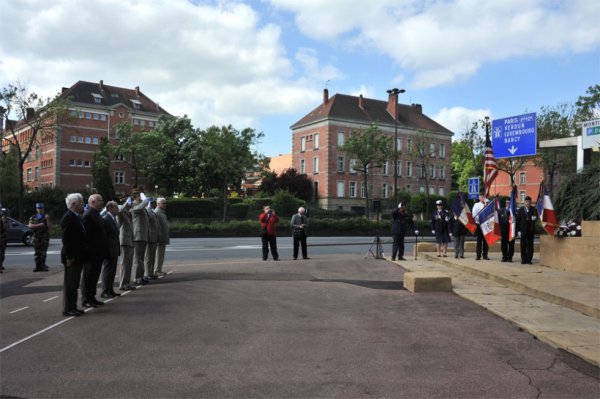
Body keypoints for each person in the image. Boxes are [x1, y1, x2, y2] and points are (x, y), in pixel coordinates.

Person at [60, 193, 87, 317]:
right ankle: (68, 308)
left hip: (78, 255)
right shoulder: (68, 217)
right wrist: (69, 257)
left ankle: (73, 306)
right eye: (81, 202)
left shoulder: (75, 216)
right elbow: (67, 239)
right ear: (74, 204)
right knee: (71, 283)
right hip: (72, 257)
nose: (82, 204)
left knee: (74, 283)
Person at [80, 194, 108, 308]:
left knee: (94, 276)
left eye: (102, 200)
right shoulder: (88, 215)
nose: (102, 202)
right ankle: (86, 299)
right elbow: (85, 236)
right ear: (92, 202)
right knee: (88, 276)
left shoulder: (96, 214)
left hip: (98, 252)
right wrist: (87, 251)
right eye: (99, 200)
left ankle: (92, 297)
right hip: (91, 253)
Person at [100, 201, 121, 298]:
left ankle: (110, 289)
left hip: (114, 249)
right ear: (110, 208)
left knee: (112, 271)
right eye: (116, 207)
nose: (117, 209)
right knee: (107, 271)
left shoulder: (113, 218)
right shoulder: (106, 219)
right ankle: (105, 291)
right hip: (109, 250)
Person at [131, 189, 151, 285]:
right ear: (136, 197)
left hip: (143, 235)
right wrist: (145, 200)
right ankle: (136, 278)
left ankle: (141, 276)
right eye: (140, 196)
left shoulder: (141, 206)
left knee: (141, 258)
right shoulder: (133, 205)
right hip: (138, 236)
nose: (141, 198)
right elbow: (139, 208)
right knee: (138, 258)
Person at [117, 196, 136, 291]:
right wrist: (126, 204)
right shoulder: (122, 212)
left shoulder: (128, 213)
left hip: (129, 240)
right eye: (129, 202)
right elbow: (120, 211)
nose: (131, 203)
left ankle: (127, 283)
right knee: (125, 263)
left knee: (128, 263)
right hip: (125, 241)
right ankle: (123, 284)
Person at [28, 203, 51, 272]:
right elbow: (30, 226)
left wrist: (47, 219)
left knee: (43, 252)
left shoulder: (46, 216)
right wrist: (39, 225)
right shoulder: (33, 217)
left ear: (43, 209)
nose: (40, 210)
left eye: (41, 208)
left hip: (44, 237)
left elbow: (50, 227)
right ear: (36, 209)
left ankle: (42, 266)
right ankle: (37, 267)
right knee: (37, 252)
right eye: (38, 208)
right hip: (36, 237)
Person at [517, 196, 538, 265]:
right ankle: (523, 259)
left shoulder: (533, 209)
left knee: (530, 245)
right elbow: (518, 220)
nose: (528, 203)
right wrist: (518, 230)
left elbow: (536, 217)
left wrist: (535, 218)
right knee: (523, 245)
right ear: (524, 202)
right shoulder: (521, 209)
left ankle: (529, 259)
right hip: (523, 230)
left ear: (531, 202)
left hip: (530, 230)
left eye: (529, 202)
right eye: (526, 202)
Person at [154, 197, 170, 277]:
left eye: (165, 203)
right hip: (160, 238)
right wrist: (159, 237)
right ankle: (157, 270)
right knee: (159, 255)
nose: (165, 205)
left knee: (161, 255)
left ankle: (158, 269)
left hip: (162, 237)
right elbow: (157, 226)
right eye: (163, 203)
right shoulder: (157, 212)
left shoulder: (161, 212)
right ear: (158, 204)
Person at [472, 194, 490, 260]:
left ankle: (485, 255)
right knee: (479, 240)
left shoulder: (488, 204)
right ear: (479, 197)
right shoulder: (476, 205)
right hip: (479, 224)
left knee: (486, 240)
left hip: (486, 225)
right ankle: (478, 255)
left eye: (484, 196)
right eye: (481, 196)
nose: (482, 197)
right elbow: (474, 214)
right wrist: (481, 219)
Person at [145, 200, 159, 279]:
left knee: (152, 256)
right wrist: (148, 207)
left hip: (153, 236)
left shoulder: (152, 211)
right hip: (150, 237)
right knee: (148, 257)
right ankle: (147, 273)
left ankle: (151, 272)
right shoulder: (148, 211)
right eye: (152, 203)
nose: (153, 204)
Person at [499, 198, 515, 262]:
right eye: (507, 203)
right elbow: (499, 221)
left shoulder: (513, 211)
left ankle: (510, 257)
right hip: (503, 231)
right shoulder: (501, 210)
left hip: (511, 231)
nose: (508, 204)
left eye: (509, 203)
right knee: (503, 245)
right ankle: (504, 257)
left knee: (511, 245)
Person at [0, 205, 8, 272]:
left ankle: (0, 265)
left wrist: (3, 221)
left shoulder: (3, 216)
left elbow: (6, 228)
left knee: (2, 253)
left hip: (2, 237)